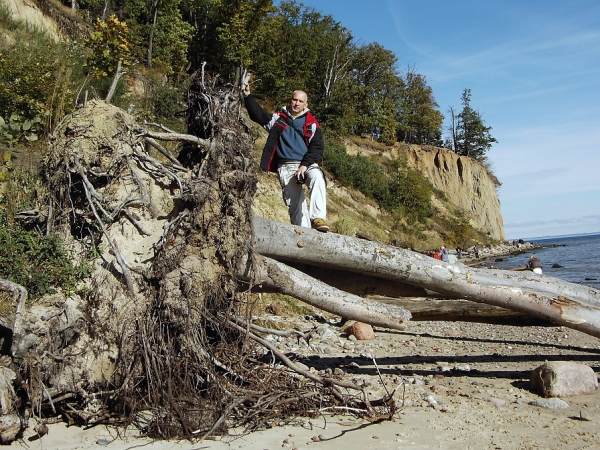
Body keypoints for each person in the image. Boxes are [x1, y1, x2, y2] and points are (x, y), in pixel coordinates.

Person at [242, 76, 329, 232]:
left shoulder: (312, 124)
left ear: (306, 104)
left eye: (300, 101)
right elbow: (258, 116)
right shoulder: (278, 119)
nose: (296, 103)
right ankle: (304, 235)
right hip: (286, 166)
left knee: (317, 177)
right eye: (294, 100)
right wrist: (248, 95)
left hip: (306, 164)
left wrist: (304, 165)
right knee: (296, 204)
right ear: (291, 100)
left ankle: (318, 218)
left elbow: (317, 148)